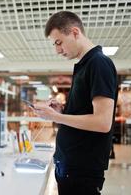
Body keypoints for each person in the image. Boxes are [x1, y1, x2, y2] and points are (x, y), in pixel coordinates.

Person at [32, 11, 118, 195]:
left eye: (58, 42)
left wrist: (57, 117)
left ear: (75, 32)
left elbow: (102, 122)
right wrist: (63, 109)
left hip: (82, 169)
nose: (57, 50)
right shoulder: (84, 66)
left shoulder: (99, 64)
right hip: (70, 165)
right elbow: (84, 111)